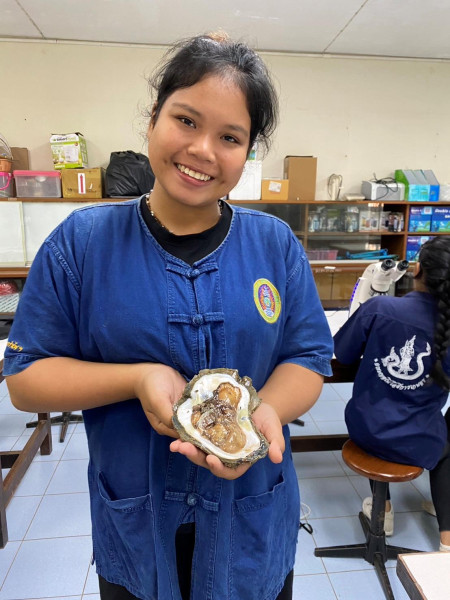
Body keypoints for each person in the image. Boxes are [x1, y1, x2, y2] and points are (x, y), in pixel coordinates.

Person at [3, 32, 333, 600]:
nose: (203, 150)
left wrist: (265, 414)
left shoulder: (275, 245)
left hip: (251, 514)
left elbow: (307, 356)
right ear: (153, 117)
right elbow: (26, 378)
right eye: (186, 120)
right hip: (137, 516)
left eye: (230, 137)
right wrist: (137, 378)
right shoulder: (81, 244)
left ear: (248, 151)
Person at [334, 236, 450, 551]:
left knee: (378, 416)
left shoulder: (380, 308)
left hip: (367, 428)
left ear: (417, 270)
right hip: (419, 438)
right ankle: (447, 542)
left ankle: (382, 509)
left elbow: (342, 354)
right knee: (445, 442)